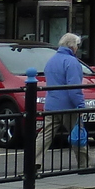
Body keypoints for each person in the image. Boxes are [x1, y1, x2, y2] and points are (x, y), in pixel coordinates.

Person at [35, 33, 91, 174]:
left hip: (51, 104)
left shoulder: (52, 61)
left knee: (45, 135)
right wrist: (80, 105)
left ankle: (34, 162)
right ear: (72, 46)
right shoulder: (72, 62)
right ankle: (84, 165)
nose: (77, 48)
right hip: (68, 106)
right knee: (77, 134)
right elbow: (74, 87)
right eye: (77, 46)